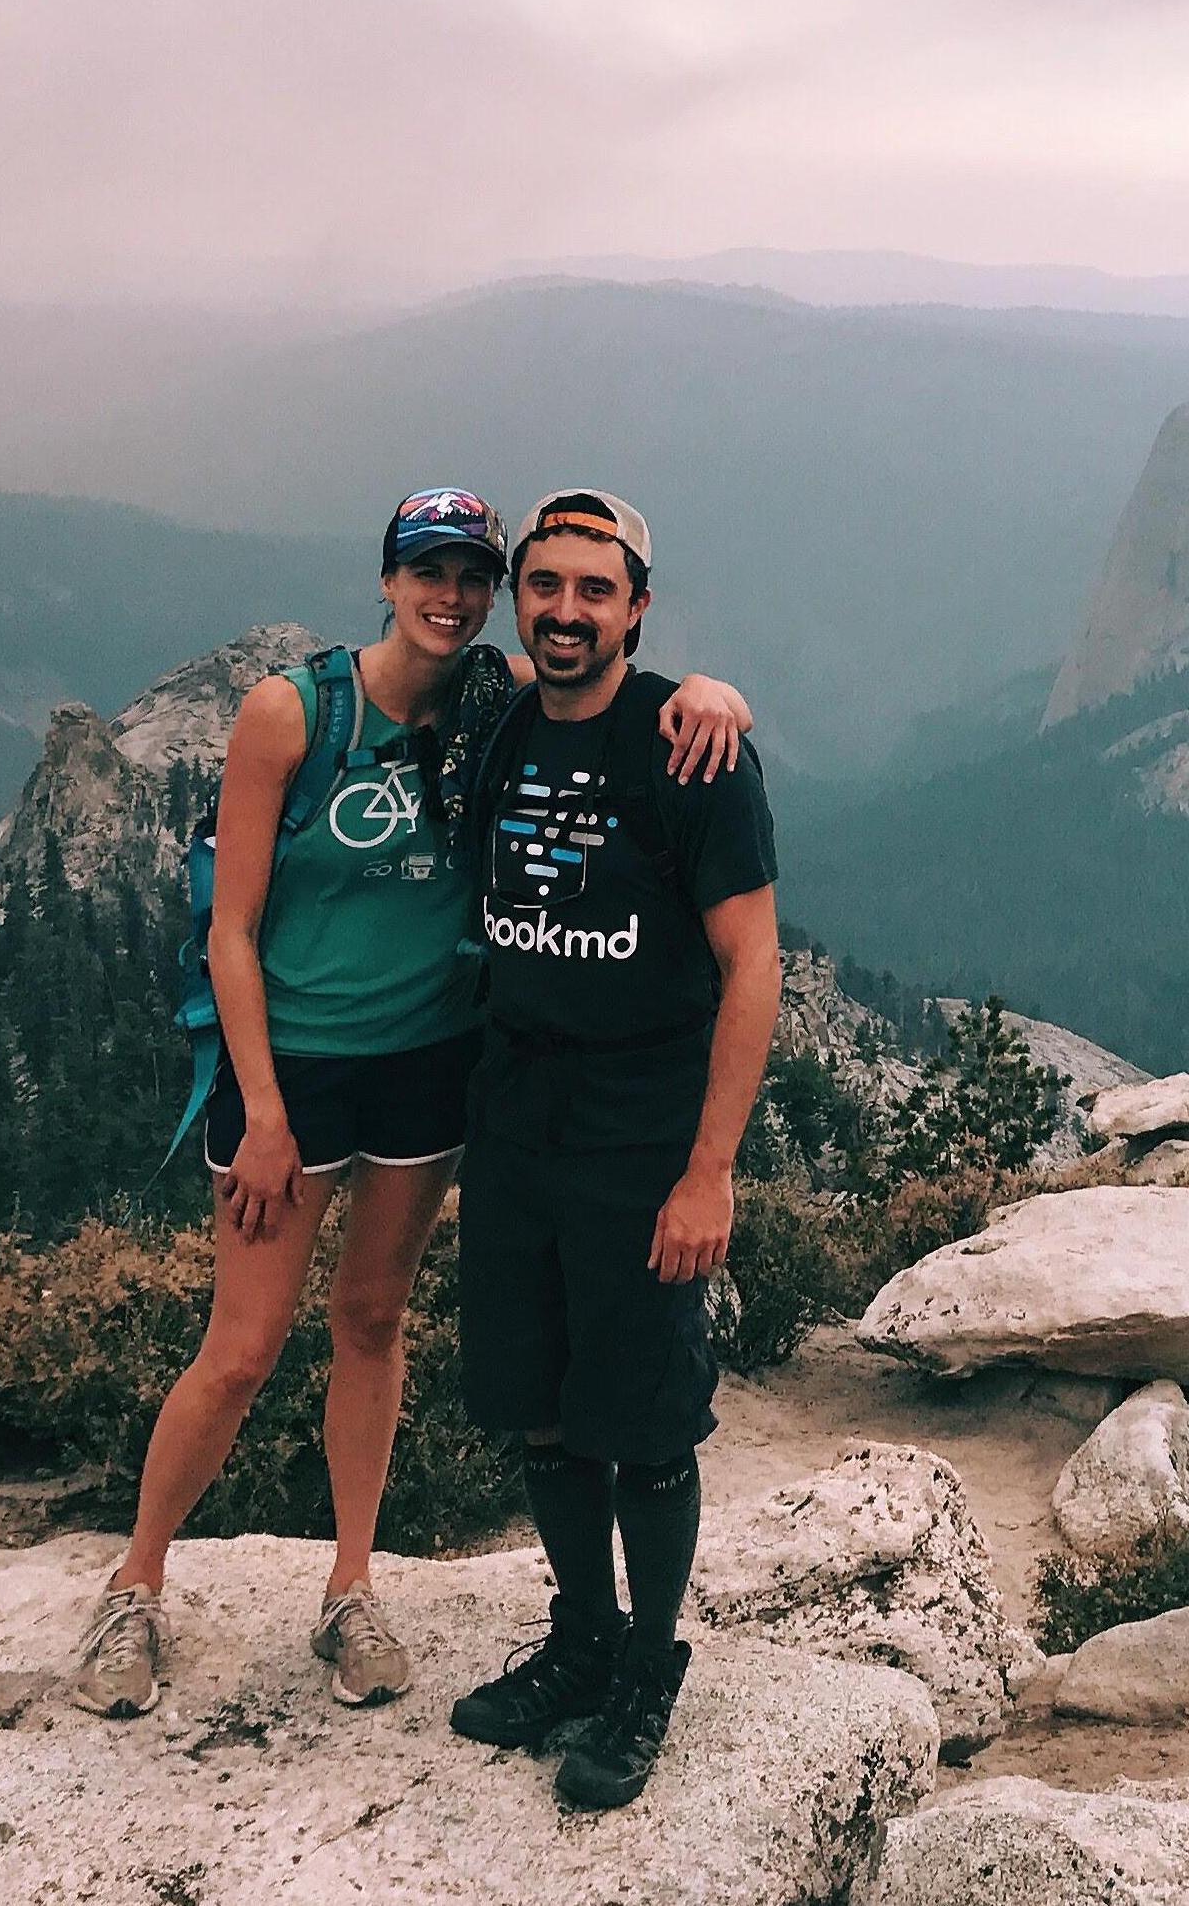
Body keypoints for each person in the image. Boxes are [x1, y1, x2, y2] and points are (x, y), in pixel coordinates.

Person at [70, 487, 752, 1720]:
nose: (453, 596)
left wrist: (718, 693)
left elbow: (626, 687)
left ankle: (350, 1587)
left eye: (472, 576)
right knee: (239, 1352)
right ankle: (134, 1584)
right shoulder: (296, 710)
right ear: (386, 579)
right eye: (428, 572)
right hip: (297, 1071)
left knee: (372, 1320)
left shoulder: (490, 704)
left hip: (432, 1069)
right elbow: (228, 930)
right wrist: (263, 1109)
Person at [448, 489, 781, 1811]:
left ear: (638, 605)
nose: (567, 611)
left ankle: (647, 1663)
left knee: (643, 1420)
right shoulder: (501, 721)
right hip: (516, 1117)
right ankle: (580, 1636)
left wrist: (711, 1168)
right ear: (520, 598)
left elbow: (751, 966)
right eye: (546, 586)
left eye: (597, 589)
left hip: (643, 1126)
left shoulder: (691, 750)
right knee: (537, 1404)